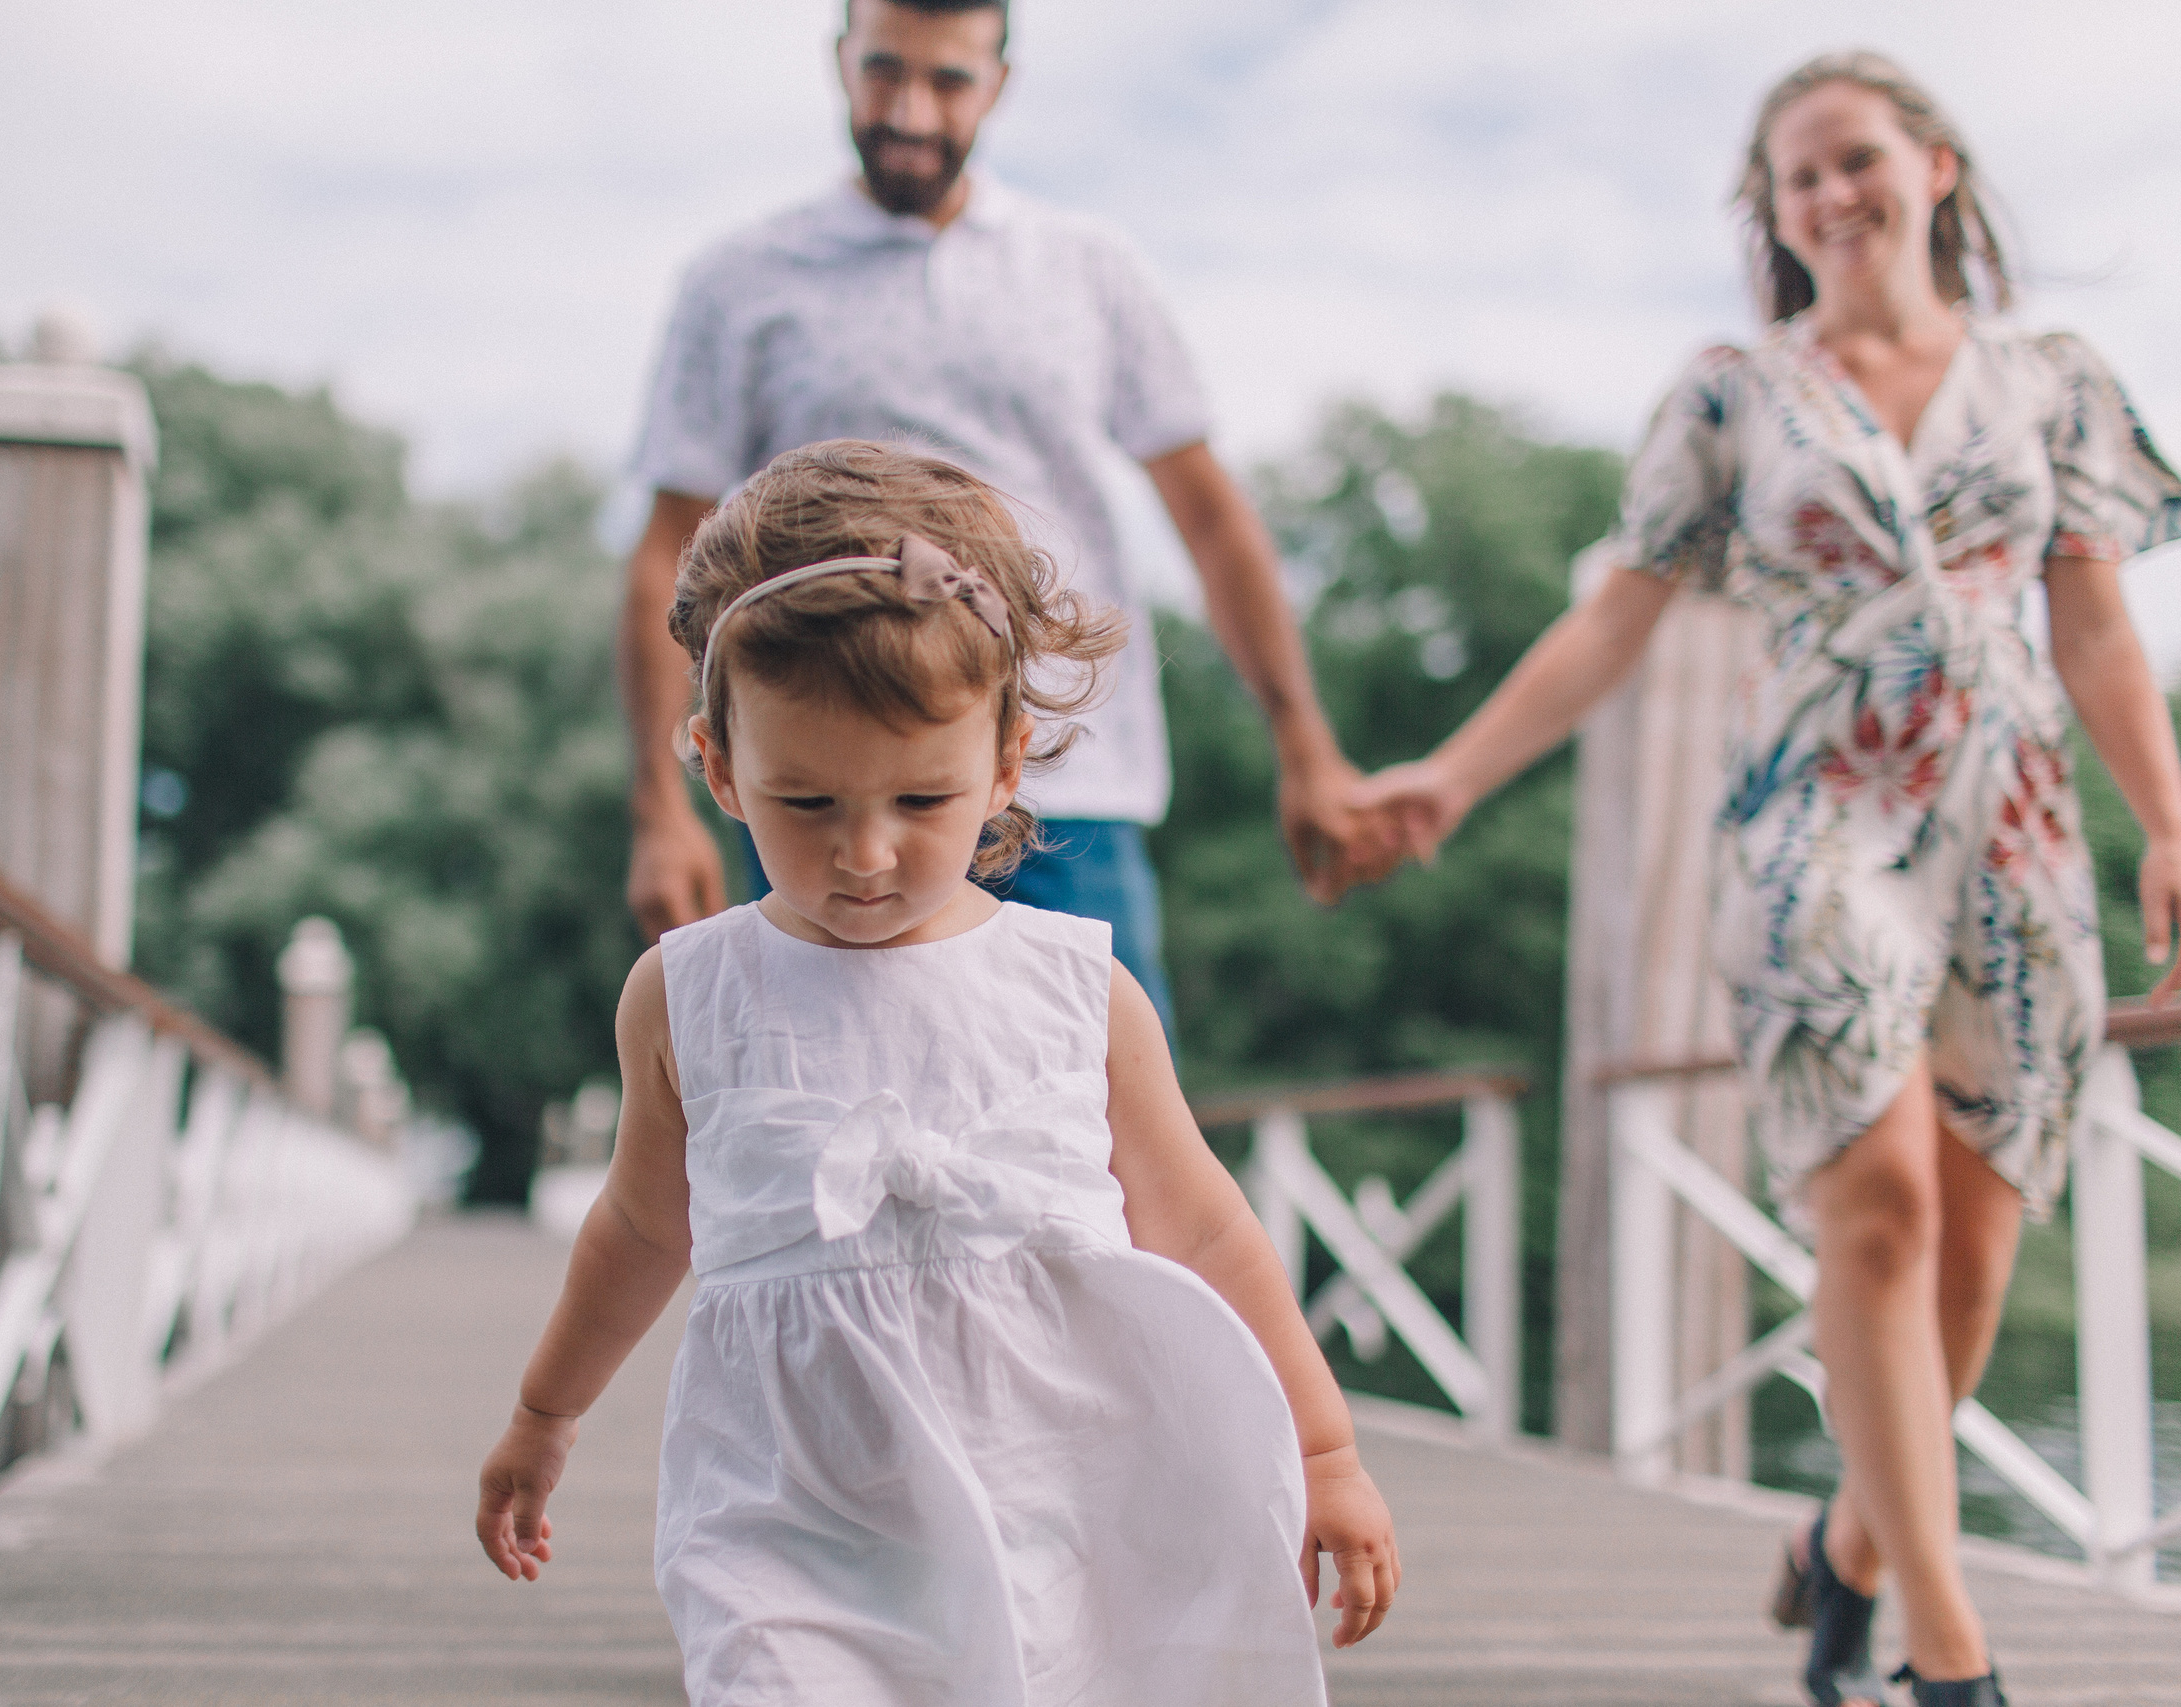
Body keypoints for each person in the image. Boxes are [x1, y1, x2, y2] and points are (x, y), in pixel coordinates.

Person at [1357, 51, 2181, 1707]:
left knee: (1971, 1256)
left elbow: (2090, 621)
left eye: (1855, 159)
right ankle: (1949, 1653)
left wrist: (2169, 818)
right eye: (1795, 178)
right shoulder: (1733, 394)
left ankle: (1848, 1552)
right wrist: (1451, 768)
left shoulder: (2053, 383)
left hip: (2012, 828)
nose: (1830, 195)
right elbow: (1617, 611)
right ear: (1777, 215)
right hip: (1819, 812)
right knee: (1873, 1207)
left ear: (1934, 169)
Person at [479, 441, 1398, 1704]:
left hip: (1053, 1485)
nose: (865, 853)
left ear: (1008, 761)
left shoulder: (1078, 989)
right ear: (718, 767)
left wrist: (1327, 1449)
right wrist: (544, 1417)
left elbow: (1205, 1229)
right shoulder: (689, 994)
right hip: (789, 1503)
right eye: (805, 804)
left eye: (921, 797)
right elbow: (643, 1222)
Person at [620, 0, 1396, 1029]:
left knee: (1104, 1149)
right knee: (821, 1126)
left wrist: (1306, 748)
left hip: (1070, 801)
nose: (908, 111)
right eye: (882, 72)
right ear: (838, 62)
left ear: (999, 84)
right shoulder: (739, 281)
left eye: (947, 82)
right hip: (840, 795)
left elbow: (1210, 522)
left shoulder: (1086, 268)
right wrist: (659, 805)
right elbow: (664, 557)